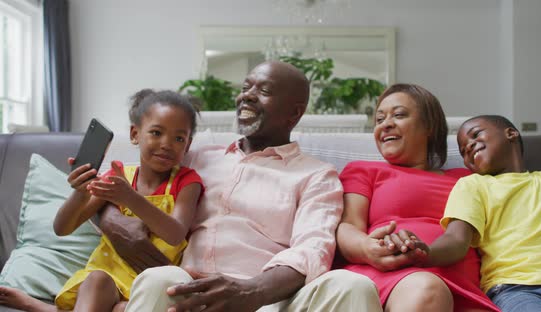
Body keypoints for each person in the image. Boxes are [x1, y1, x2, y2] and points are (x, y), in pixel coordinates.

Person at [99, 61, 382, 312]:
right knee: (160, 278)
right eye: (246, 87)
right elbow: (130, 184)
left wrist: (250, 292)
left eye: (264, 91)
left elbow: (312, 249)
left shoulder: (316, 175)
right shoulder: (195, 156)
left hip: (269, 300)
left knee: (352, 286)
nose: (247, 95)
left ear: (294, 113)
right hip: (188, 292)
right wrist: (111, 220)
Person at [0, 89, 204, 312]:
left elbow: (174, 234)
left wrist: (130, 198)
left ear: (188, 144)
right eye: (156, 133)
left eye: (178, 138)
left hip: (149, 282)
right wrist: (79, 192)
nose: (166, 144)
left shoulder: (187, 181)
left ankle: (41, 308)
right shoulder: (117, 177)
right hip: (107, 275)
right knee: (97, 281)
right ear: (135, 134)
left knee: (120, 309)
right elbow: (62, 228)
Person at [386, 115, 541, 312]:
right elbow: (456, 240)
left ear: (510, 133)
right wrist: (426, 253)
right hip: (514, 289)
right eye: (463, 150)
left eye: (475, 135)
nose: (468, 147)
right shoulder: (473, 185)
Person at [335, 84, 499, 311]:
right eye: (379, 119)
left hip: (463, 289)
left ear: (429, 125)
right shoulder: (363, 170)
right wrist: (367, 248)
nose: (386, 124)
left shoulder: (468, 179)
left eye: (399, 115)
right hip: (392, 279)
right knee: (428, 290)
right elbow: (348, 225)